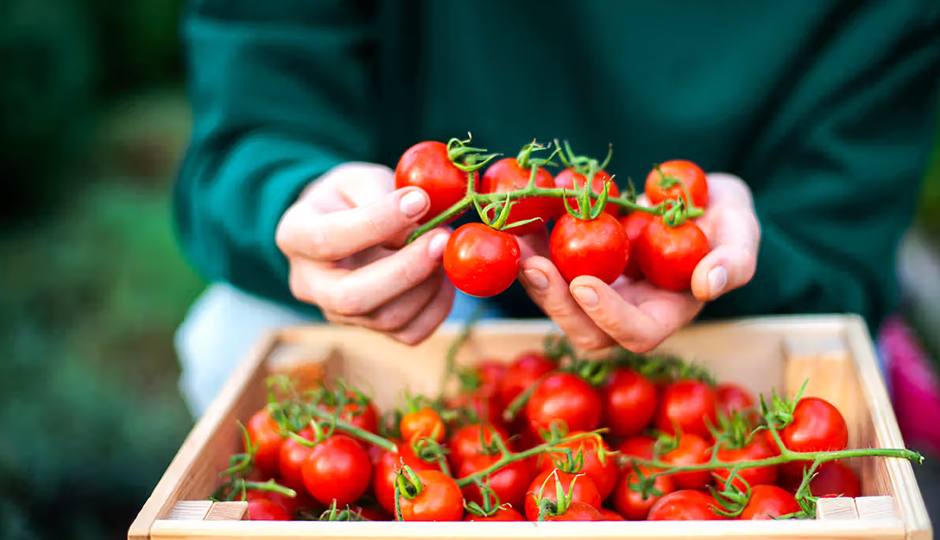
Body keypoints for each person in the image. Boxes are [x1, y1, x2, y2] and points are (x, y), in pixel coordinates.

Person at [172, 0, 940, 417]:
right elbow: (252, 110)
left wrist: (750, 252)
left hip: (728, 301)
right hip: (431, 291)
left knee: (834, 396)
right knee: (235, 339)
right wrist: (301, 196)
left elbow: (844, 254)